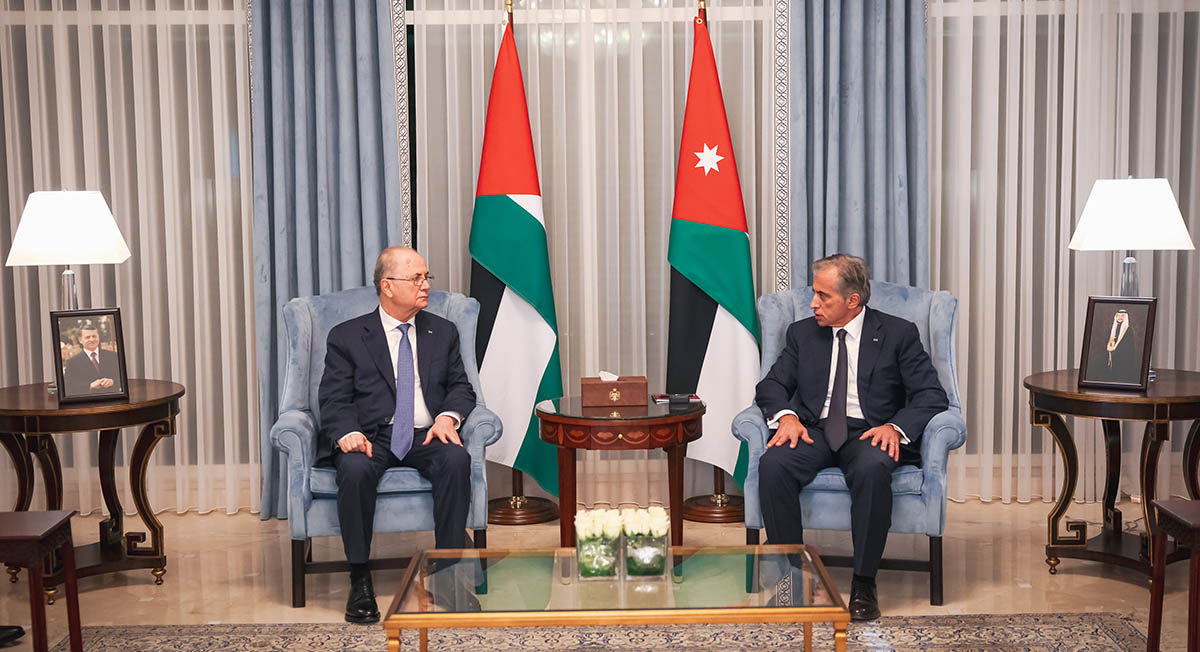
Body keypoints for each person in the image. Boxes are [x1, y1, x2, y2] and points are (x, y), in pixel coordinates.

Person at [754, 253, 948, 621]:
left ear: (852, 300)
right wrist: (787, 417)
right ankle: (793, 581)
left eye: (823, 296)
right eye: (814, 293)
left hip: (870, 432)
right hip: (815, 430)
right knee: (773, 464)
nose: (813, 303)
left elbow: (931, 395)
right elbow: (772, 385)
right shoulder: (802, 334)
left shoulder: (898, 333)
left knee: (873, 469)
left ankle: (864, 583)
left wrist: (895, 428)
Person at [317, 246, 476, 624]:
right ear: (387, 286)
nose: (426, 285)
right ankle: (359, 578)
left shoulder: (443, 331)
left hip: (425, 434)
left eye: (426, 277)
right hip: (372, 436)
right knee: (354, 469)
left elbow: (461, 387)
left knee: (456, 458)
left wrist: (448, 418)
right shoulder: (347, 336)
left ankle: (447, 574)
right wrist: (348, 432)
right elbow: (334, 398)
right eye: (416, 278)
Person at [62, 322, 122, 396]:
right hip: (88, 400)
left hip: (112, 398)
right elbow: (68, 386)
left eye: (94, 336)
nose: (92, 339)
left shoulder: (113, 356)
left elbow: (123, 378)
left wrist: (113, 381)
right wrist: (90, 385)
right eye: (87, 337)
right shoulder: (72, 362)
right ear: (80, 340)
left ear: (98, 337)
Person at [1087, 309, 1141, 384]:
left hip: (1124, 358)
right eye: (1118, 315)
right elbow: (1107, 342)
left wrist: (1116, 350)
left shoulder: (1128, 330)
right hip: (1112, 357)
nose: (1120, 317)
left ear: (1125, 317)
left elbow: (1128, 347)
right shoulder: (1112, 329)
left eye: (1122, 316)